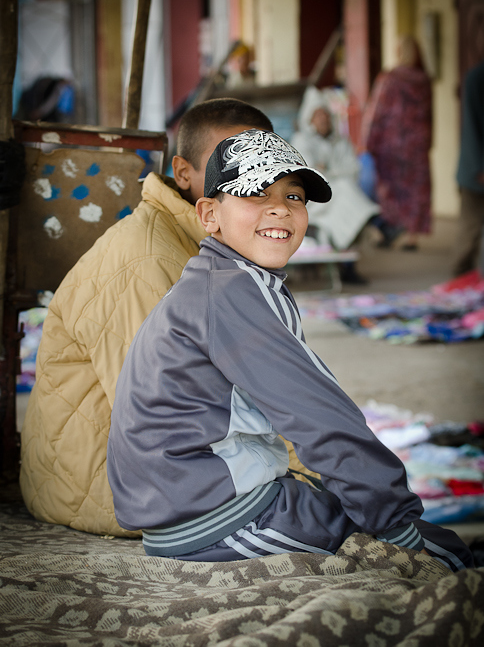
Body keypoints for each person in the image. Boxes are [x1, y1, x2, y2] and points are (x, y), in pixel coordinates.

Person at [107, 129, 472, 570]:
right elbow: (319, 417)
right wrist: (399, 524)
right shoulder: (229, 293)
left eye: (294, 196)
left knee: (343, 503)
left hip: (190, 502)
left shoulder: (222, 279)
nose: (279, 207)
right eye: (254, 193)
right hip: (216, 518)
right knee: (442, 553)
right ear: (209, 215)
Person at [19, 98, 279, 537]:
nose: (246, 183)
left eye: (261, 170)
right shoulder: (149, 261)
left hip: (154, 466)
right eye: (226, 167)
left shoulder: (219, 244)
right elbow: (166, 420)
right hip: (109, 486)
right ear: (182, 174)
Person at [291, 86, 379, 283]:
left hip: (339, 195)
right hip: (315, 200)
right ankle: (371, 217)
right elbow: (308, 175)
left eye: (325, 115)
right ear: (310, 118)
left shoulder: (341, 141)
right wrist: (331, 173)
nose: (323, 120)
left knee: (348, 194)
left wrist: (328, 171)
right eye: (318, 115)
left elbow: (352, 170)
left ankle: (348, 267)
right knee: (348, 193)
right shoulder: (301, 141)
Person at [362, 35, 433, 250]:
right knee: (416, 190)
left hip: (391, 143)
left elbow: (377, 111)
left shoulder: (390, 79)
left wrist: (368, 141)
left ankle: (390, 231)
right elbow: (430, 115)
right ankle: (412, 237)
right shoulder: (424, 80)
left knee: (390, 188)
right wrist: (429, 140)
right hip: (417, 144)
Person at [451, 60, 484, 277]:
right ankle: (462, 278)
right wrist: (478, 167)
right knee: (470, 231)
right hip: (476, 172)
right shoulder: (476, 79)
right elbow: (471, 127)